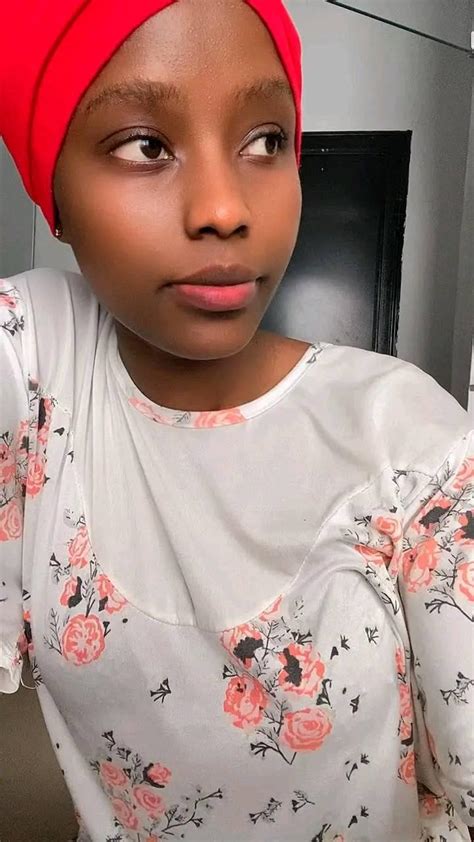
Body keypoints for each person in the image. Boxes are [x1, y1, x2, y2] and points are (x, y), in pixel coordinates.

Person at [0, 1, 473, 840]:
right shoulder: (40, 364)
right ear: (54, 197)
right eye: (146, 146)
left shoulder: (407, 442)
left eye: (265, 140)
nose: (224, 208)